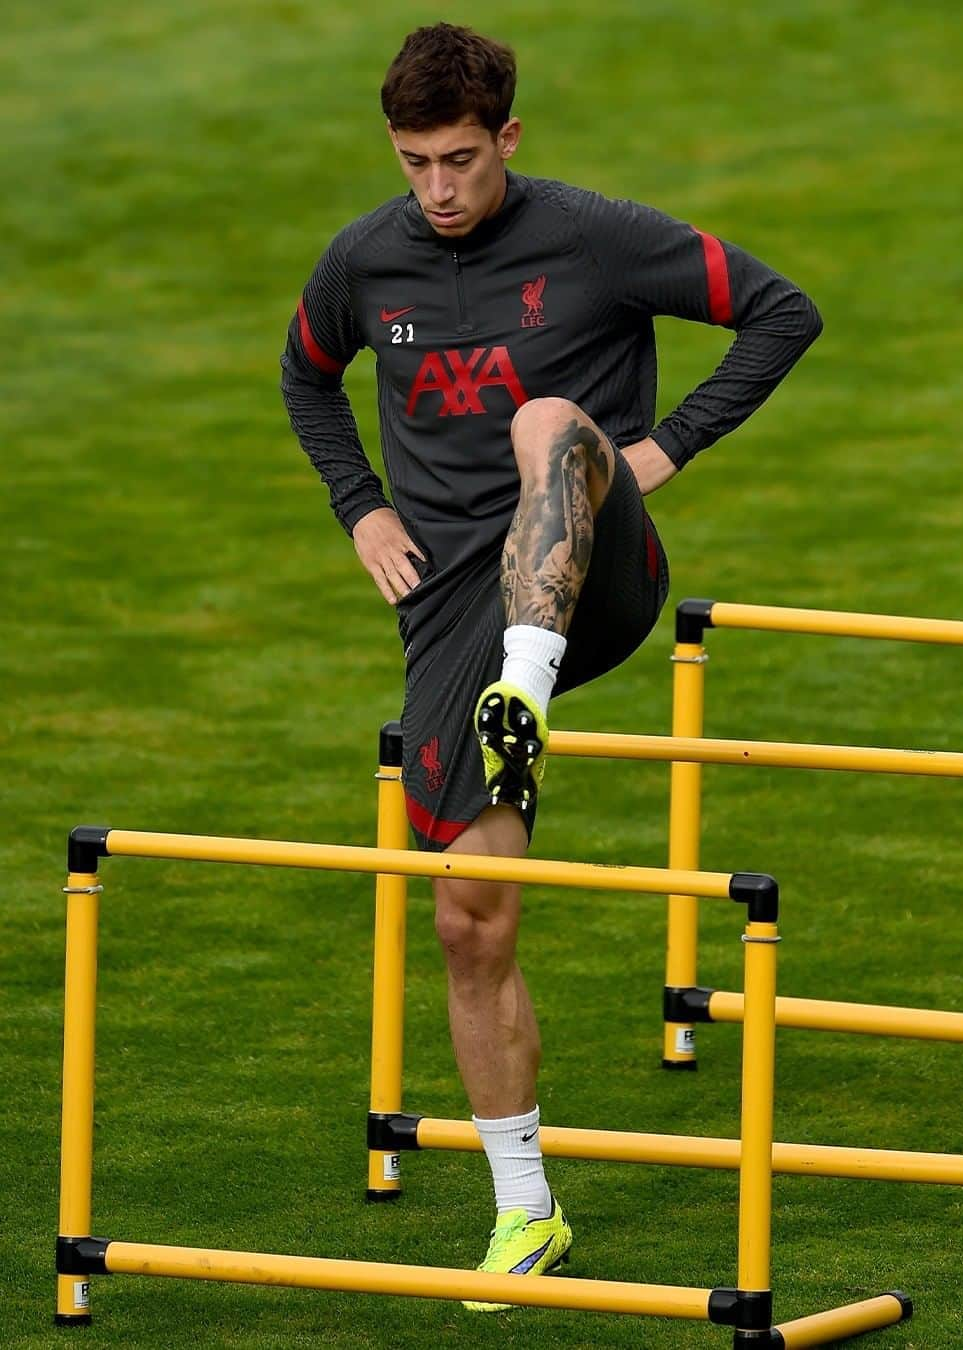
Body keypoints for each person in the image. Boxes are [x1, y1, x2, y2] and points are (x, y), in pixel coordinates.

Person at [281, 21, 822, 1310]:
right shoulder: (363, 261)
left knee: (547, 420)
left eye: (459, 159)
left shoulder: (590, 236)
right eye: (413, 162)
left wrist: (661, 450)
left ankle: (523, 685)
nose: (436, 188)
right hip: (454, 612)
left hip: (603, 575)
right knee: (470, 919)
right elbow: (305, 382)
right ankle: (526, 1212)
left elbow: (781, 312)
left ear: (506, 140)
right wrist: (361, 504)